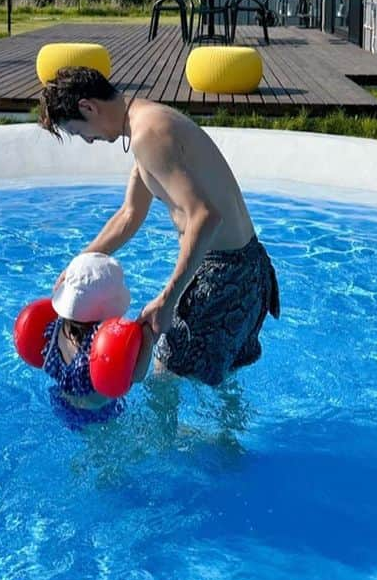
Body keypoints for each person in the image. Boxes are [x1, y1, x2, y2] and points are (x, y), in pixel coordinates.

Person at [37, 67, 280, 388]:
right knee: (222, 386)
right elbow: (129, 214)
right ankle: (227, 438)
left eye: (80, 131)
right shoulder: (149, 121)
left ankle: (176, 442)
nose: (89, 140)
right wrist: (79, 263)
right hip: (251, 269)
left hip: (223, 277)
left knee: (162, 379)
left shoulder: (147, 135)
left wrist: (167, 299)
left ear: (88, 107)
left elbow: (204, 217)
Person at [41, 251, 153, 431]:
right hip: (99, 415)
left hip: (62, 405)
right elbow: (136, 376)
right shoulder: (101, 343)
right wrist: (147, 337)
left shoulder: (56, 328)